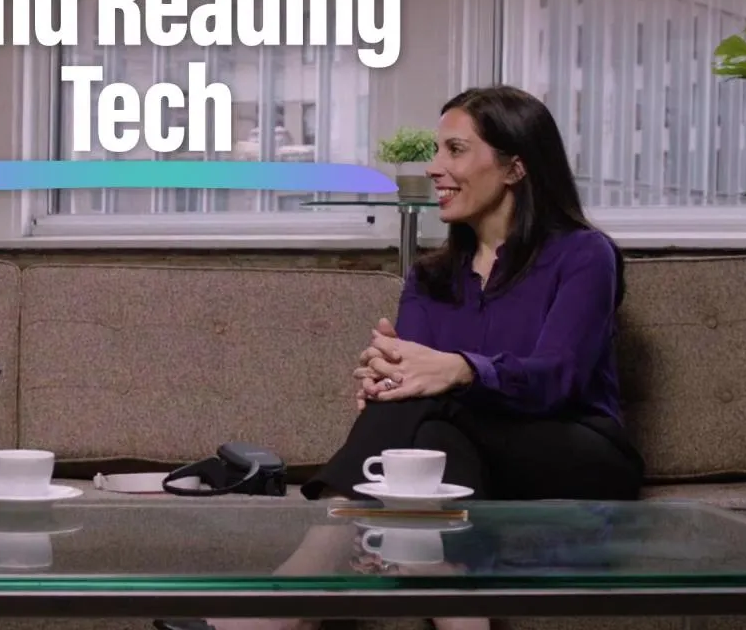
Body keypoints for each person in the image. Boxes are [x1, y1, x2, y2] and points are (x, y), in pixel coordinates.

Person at [155, 85, 645, 630]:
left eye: (455, 150)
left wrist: (459, 370)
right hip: (468, 462)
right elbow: (412, 389)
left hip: (578, 453)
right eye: (436, 150)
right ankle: (456, 602)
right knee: (428, 425)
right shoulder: (431, 278)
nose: (434, 167)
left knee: (432, 404)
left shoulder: (583, 255)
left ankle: (295, 594)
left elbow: (559, 379)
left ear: (515, 167)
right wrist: (385, 382)